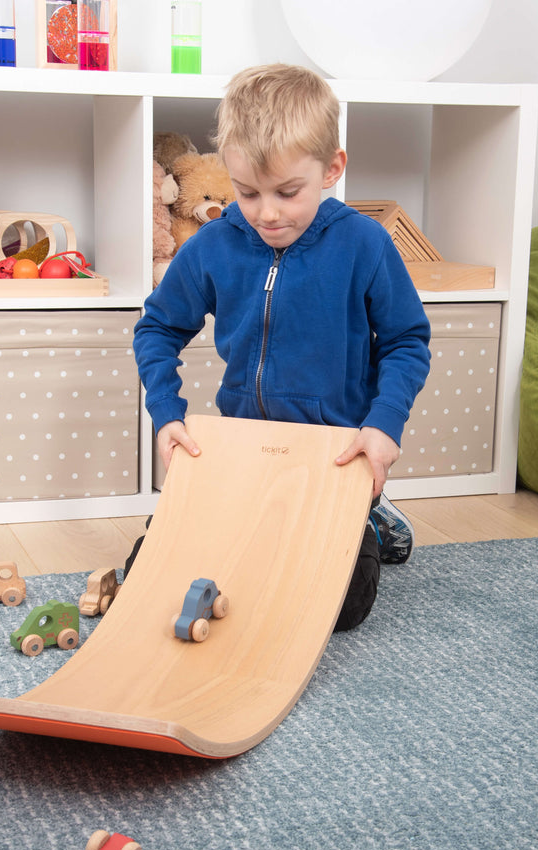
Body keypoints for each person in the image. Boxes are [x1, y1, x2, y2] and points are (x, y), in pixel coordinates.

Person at [131, 63, 432, 630]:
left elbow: (406, 341)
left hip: (332, 458)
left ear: (331, 169)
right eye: (247, 192)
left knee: (339, 608)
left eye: (287, 192)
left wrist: (383, 426)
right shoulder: (215, 244)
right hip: (242, 451)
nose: (266, 212)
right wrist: (167, 414)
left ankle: (368, 517)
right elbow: (158, 329)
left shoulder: (364, 245)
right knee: (149, 576)